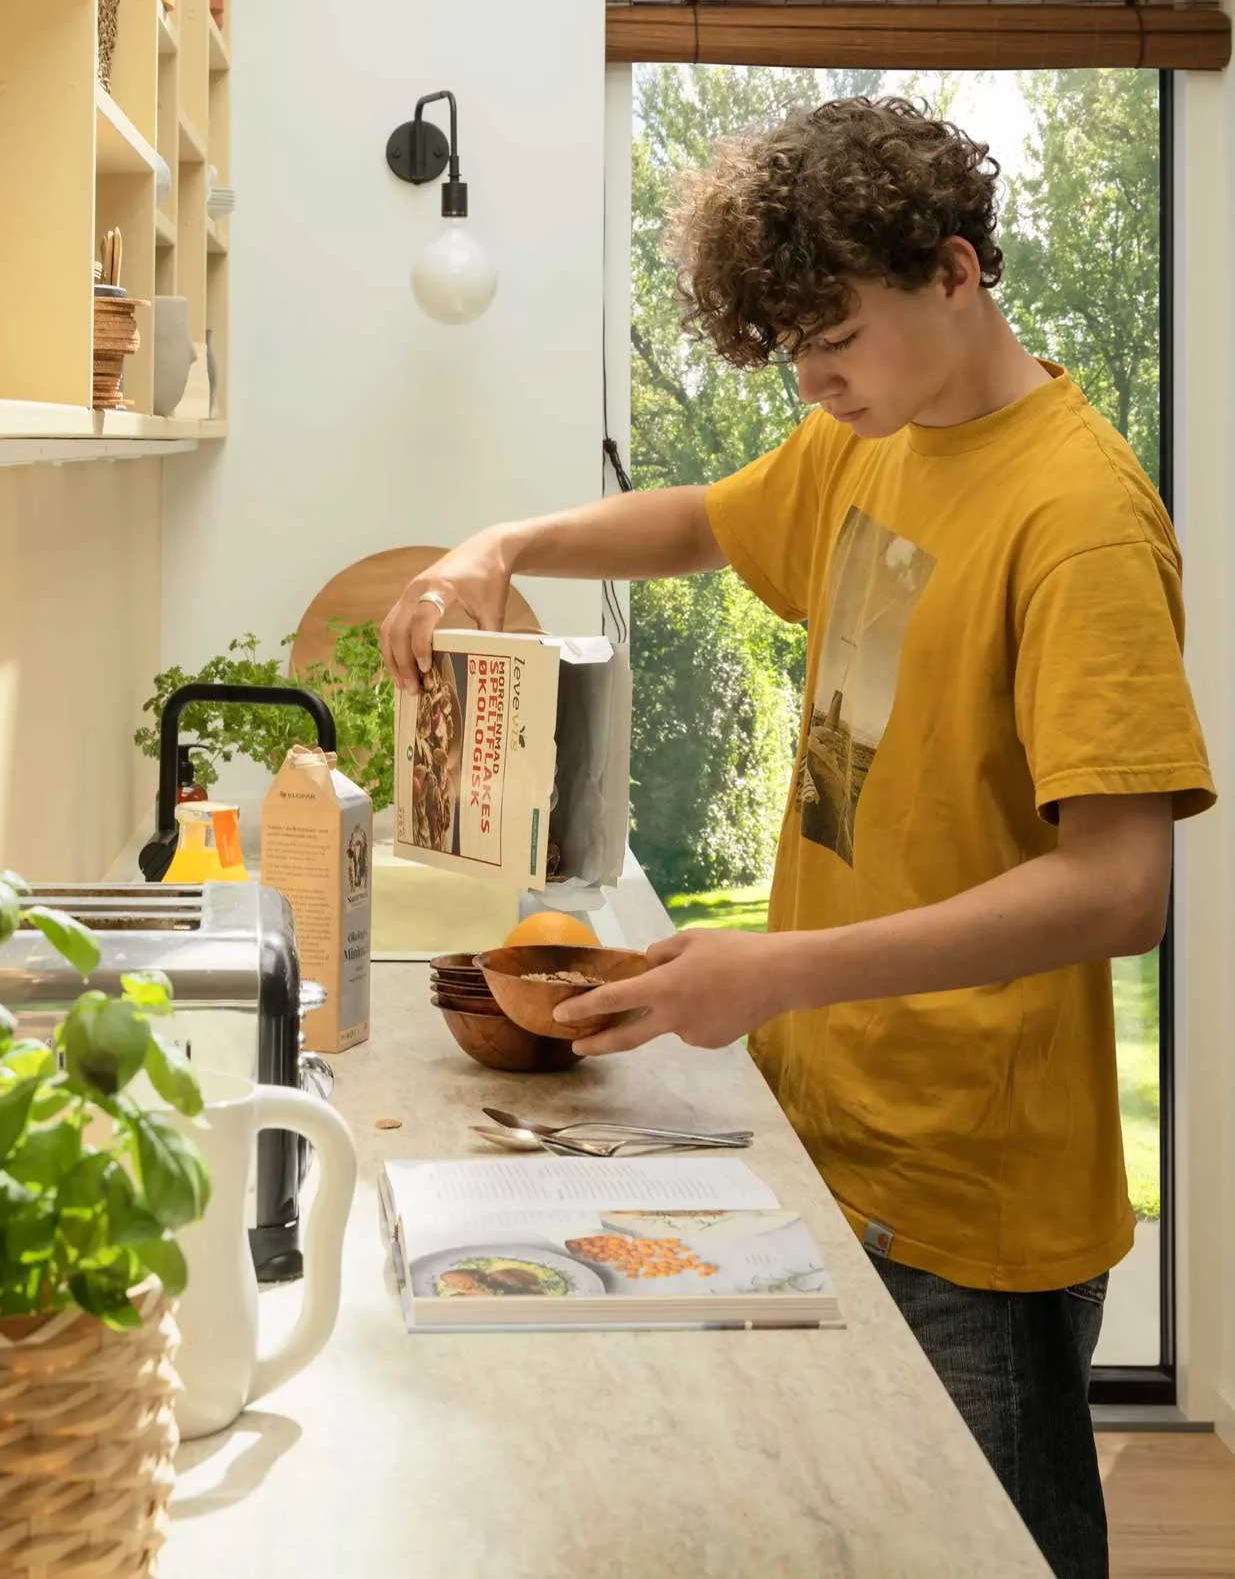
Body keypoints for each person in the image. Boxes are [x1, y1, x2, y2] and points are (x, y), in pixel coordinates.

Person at [380, 96, 1214, 1579]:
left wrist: (777, 972)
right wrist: (496, 546)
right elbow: (701, 521)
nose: (815, 381)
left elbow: (1117, 886)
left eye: (836, 339)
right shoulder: (869, 442)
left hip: (972, 1194)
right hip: (828, 1139)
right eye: (791, 355)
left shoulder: (1075, 517)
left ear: (955, 273)